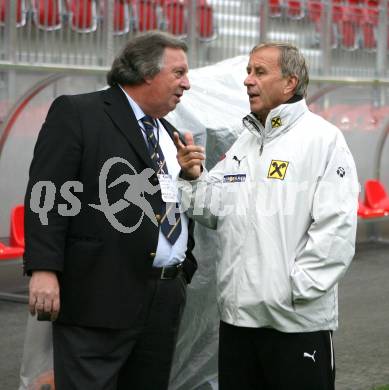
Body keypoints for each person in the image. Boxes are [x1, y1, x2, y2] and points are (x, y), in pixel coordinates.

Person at [174, 42, 358, 390]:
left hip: (294, 323)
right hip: (237, 322)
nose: (247, 81)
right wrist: (193, 176)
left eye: (259, 72)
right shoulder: (245, 141)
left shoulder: (323, 140)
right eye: (247, 71)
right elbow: (211, 210)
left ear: (289, 83)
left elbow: (337, 229)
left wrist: (291, 291)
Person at [24, 31, 197, 390]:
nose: (187, 84)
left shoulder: (169, 132)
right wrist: (44, 268)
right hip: (99, 293)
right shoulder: (79, 112)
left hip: (163, 296)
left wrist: (191, 178)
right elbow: (48, 195)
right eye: (178, 73)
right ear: (146, 72)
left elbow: (166, 201)